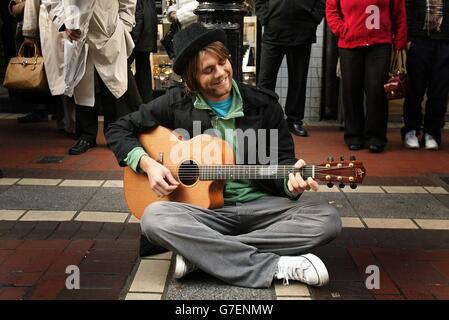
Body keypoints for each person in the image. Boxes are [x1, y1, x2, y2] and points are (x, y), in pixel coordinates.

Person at [106, 23, 341, 288]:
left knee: (327, 219)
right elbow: (118, 128)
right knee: (153, 219)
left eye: (222, 62)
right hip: (203, 215)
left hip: (261, 210)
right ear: (191, 80)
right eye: (208, 70)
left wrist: (291, 183)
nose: (221, 73)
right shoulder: (175, 103)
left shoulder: (265, 105)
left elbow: (283, 163)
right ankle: (275, 265)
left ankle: (203, 253)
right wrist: (148, 164)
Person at [55, 0, 139, 155]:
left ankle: (116, 135)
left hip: (108, 31)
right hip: (77, 35)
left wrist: (125, 25)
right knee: (83, 87)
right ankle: (86, 135)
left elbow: (128, 2)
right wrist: (62, 23)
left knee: (114, 87)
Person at [326, 0, 407, 153]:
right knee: (351, 90)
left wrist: (400, 41)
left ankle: (376, 137)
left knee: (377, 91)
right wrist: (342, 30)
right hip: (349, 44)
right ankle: (353, 135)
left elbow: (399, 12)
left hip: (380, 45)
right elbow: (331, 10)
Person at [255, 0, 326, 137]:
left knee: (298, 80)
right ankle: (264, 119)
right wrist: (265, 17)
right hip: (274, 30)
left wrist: (314, 19)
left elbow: (322, 2)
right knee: (265, 79)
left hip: (302, 31)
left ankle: (294, 120)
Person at [402, 0, 449, 150]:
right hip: (419, 39)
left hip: (445, 42)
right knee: (415, 89)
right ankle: (411, 130)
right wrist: (407, 38)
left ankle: (432, 132)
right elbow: (407, 8)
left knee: (439, 91)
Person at [130, 0, 158, 103]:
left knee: (125, 67)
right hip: (147, 22)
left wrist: (133, 37)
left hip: (140, 24)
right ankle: (145, 105)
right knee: (143, 67)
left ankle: (136, 104)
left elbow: (138, 12)